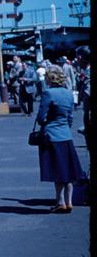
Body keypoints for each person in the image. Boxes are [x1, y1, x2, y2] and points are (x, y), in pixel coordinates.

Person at [36, 65, 84, 213]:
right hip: (66, 135)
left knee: (57, 171)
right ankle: (69, 202)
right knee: (69, 171)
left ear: (50, 78)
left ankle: (60, 201)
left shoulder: (48, 93)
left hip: (52, 135)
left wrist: (45, 122)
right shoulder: (69, 94)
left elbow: (41, 117)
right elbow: (70, 117)